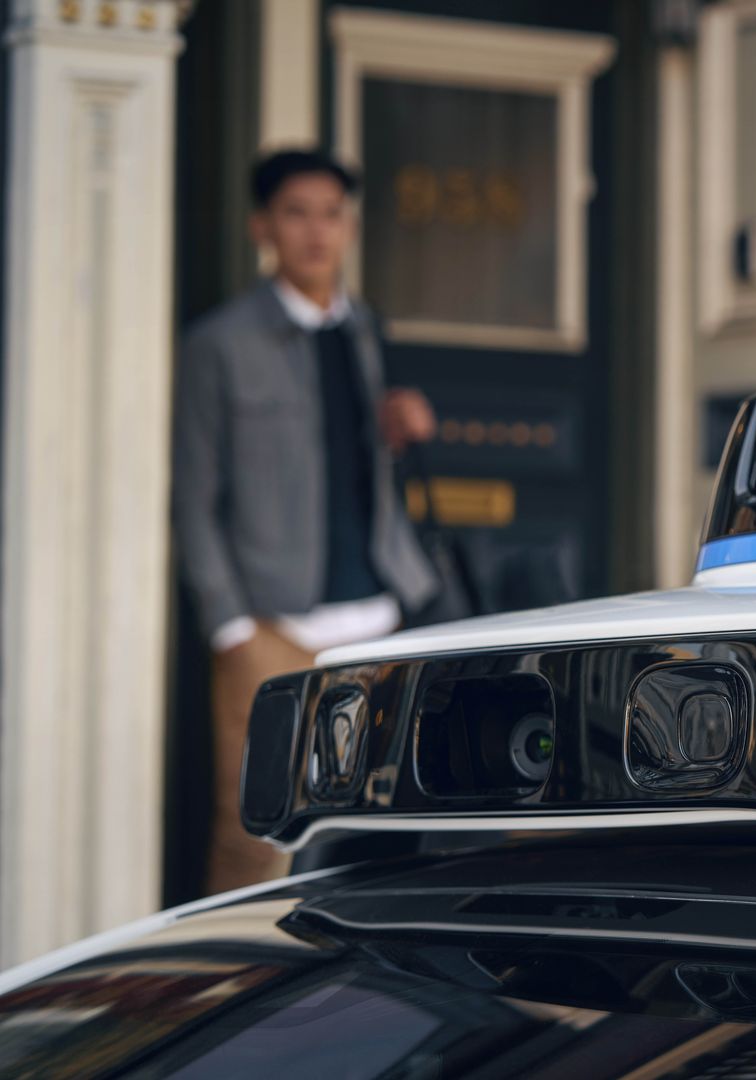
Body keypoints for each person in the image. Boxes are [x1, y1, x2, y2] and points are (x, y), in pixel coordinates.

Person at [174, 149, 441, 894]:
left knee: (371, 825)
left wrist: (401, 428)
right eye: (296, 213)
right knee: (253, 833)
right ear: (262, 226)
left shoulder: (365, 329)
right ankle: (234, 967)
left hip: (379, 620)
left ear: (348, 227)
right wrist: (229, 625)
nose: (317, 232)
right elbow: (193, 495)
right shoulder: (219, 343)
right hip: (271, 629)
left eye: (331, 214)